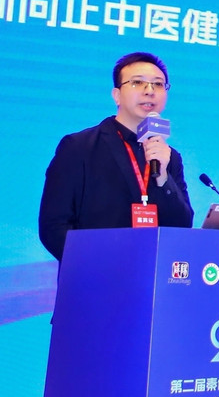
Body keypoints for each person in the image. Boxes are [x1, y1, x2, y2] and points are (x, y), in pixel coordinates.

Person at [38, 52, 194, 261]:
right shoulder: (78, 147)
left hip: (154, 276)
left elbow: (182, 227)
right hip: (95, 275)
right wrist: (98, 266)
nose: (149, 91)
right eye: (138, 82)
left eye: (158, 84)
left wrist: (163, 179)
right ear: (116, 95)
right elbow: (53, 226)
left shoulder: (169, 157)